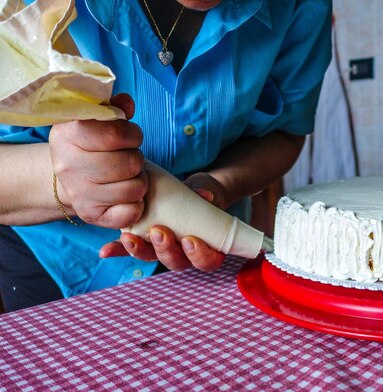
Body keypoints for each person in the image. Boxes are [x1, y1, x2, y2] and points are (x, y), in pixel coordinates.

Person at [0, 0, 332, 312]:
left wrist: (218, 186)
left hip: (205, 256)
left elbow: (286, 131)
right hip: (50, 260)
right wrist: (65, 184)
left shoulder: (301, 6)